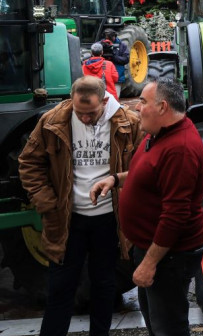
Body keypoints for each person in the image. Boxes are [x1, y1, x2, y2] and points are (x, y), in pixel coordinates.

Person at [18, 76, 140, 336]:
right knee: (60, 287)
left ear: (104, 101)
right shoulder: (52, 122)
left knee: (104, 284)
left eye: (91, 113)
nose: (84, 118)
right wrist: (47, 202)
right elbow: (28, 163)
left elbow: (144, 167)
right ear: (71, 101)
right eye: (79, 112)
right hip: (66, 219)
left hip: (108, 220)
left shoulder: (128, 122)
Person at [110, 78, 203, 336]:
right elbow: (147, 173)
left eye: (143, 101)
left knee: (168, 327)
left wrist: (149, 264)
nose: (137, 108)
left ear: (163, 107)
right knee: (155, 321)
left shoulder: (180, 149)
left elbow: (175, 215)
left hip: (168, 256)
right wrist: (115, 179)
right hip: (153, 249)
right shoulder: (158, 134)